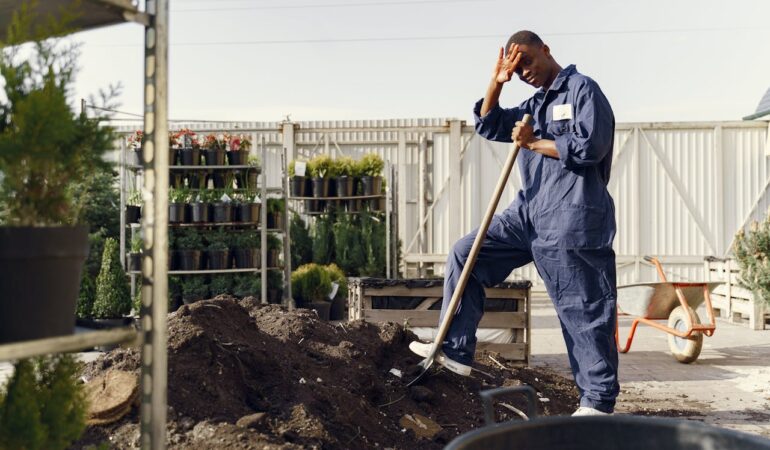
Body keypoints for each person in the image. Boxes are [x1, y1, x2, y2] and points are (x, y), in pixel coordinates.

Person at [409, 30, 619, 416]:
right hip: (528, 214)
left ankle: (597, 403)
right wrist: (496, 82)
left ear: (546, 49)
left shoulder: (583, 91)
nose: (524, 72)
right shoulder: (533, 104)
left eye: (527, 62)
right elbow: (489, 124)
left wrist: (534, 142)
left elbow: (592, 147)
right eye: (516, 67)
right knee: (466, 253)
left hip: (572, 214)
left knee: (582, 307)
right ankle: (455, 351)